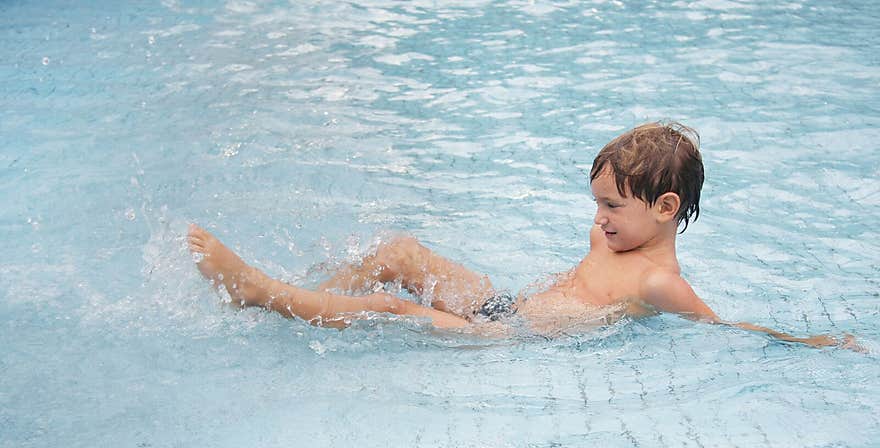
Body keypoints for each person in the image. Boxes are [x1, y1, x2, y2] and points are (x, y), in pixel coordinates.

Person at [187, 122, 860, 349]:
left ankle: (259, 294)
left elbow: (724, 329)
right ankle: (310, 301)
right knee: (399, 252)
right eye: (596, 204)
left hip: (508, 341)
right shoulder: (615, 240)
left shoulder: (659, 281)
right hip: (505, 306)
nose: (598, 219)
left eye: (611, 207)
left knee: (395, 307)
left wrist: (805, 340)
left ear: (665, 206)